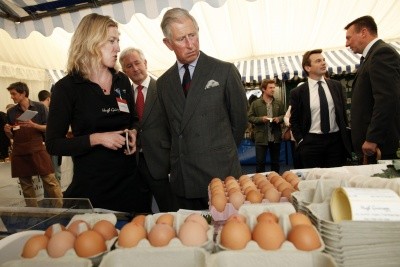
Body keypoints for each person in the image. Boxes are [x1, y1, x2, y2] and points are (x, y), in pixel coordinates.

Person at [45, 13, 144, 213]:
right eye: (111, 41)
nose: (117, 47)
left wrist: (133, 132)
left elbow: (133, 120)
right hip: (92, 189)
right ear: (91, 42)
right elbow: (54, 144)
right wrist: (97, 139)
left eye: (118, 40)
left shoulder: (122, 81)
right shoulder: (67, 88)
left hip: (129, 185)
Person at [157, 8, 248, 210]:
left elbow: (239, 121)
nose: (191, 44)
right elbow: (168, 128)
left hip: (221, 174)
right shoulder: (163, 83)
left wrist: (220, 151)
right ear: (168, 43)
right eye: (181, 39)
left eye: (193, 35)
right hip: (184, 179)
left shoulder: (224, 71)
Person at [119, 47, 178, 212]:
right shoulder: (123, 96)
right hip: (134, 163)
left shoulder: (163, 88)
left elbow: (174, 125)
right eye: (129, 66)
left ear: (145, 63)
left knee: (170, 210)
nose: (135, 68)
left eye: (137, 63)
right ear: (124, 71)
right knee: (140, 212)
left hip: (162, 161)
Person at [345, 15, 400, 163]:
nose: (346, 44)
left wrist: (373, 138)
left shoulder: (381, 54)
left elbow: (386, 100)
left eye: (349, 38)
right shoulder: (370, 56)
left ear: (363, 32)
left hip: (380, 147)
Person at [3, 82, 63, 207]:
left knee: (50, 181)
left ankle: (60, 209)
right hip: (19, 150)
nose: (12, 97)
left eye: (14, 94)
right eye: (11, 94)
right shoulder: (11, 112)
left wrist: (34, 125)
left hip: (37, 147)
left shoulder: (40, 107)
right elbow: (12, 136)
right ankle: (33, 213)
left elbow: (50, 128)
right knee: (26, 186)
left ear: (23, 93)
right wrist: (7, 132)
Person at [290, 49, 351, 168]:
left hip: (336, 142)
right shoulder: (298, 92)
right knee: (314, 181)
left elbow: (342, 114)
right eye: (318, 61)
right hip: (311, 143)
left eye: (324, 60)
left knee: (336, 180)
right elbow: (294, 120)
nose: (323, 63)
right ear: (308, 68)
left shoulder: (336, 86)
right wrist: (301, 141)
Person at [248, 79, 285, 173]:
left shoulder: (279, 103)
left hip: (275, 137)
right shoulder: (255, 104)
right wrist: (261, 119)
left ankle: (276, 182)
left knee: (275, 163)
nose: (273, 89)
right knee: (260, 163)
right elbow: (249, 117)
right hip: (261, 138)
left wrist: (279, 119)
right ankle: (261, 183)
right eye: (270, 88)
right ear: (264, 89)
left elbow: (284, 115)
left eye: (274, 87)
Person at [38, 89, 62, 183]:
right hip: (52, 144)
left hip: (42, 145)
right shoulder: (50, 110)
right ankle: (57, 197)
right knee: (54, 174)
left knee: (47, 174)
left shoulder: (34, 109)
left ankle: (50, 197)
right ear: (48, 99)